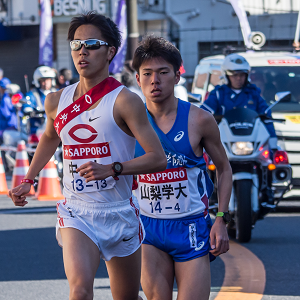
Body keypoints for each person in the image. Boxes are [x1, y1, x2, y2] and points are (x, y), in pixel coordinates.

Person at [9, 12, 167, 300]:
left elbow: (158, 158)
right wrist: (29, 179)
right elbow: (49, 137)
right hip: (77, 212)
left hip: (119, 212)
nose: (82, 51)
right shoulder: (56, 100)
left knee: (127, 296)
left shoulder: (125, 101)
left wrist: (113, 168)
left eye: (92, 44)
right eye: (76, 44)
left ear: (110, 52)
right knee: (80, 292)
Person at [132, 36, 232, 300]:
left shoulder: (200, 120)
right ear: (137, 79)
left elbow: (224, 168)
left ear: (177, 76)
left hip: (190, 227)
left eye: (163, 72)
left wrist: (221, 219)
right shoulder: (128, 124)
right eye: (147, 73)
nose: (155, 80)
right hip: (148, 228)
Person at [203, 53, 278, 151]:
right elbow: (204, 113)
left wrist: (273, 141)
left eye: (242, 75)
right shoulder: (218, 93)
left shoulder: (253, 93)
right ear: (226, 75)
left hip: (251, 141)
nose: (238, 78)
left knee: (272, 163)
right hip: (223, 141)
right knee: (208, 163)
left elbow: (266, 115)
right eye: (234, 75)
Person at [22, 65, 57, 134]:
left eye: (48, 80)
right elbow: (27, 104)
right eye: (43, 80)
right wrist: (29, 110)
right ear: (38, 82)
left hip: (57, 125)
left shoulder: (57, 93)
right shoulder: (33, 94)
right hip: (38, 128)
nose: (46, 82)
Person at [0, 77, 18, 173]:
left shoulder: (8, 98)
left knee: (7, 149)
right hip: (7, 128)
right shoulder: (7, 99)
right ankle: (7, 167)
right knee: (6, 149)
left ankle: (8, 167)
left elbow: (6, 114)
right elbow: (7, 114)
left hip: (9, 129)